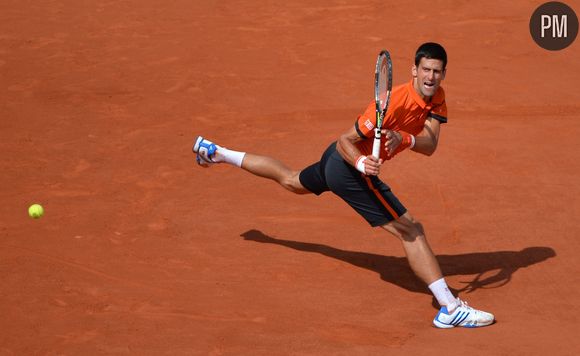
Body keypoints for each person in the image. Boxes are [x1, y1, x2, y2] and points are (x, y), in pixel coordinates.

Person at [193, 42, 495, 328]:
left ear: (443, 73)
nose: (431, 77)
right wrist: (363, 164)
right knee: (411, 229)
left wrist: (404, 138)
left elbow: (429, 145)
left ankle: (217, 153)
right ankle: (450, 309)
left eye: (437, 71)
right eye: (426, 70)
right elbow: (344, 142)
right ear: (414, 70)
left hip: (339, 165)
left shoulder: (437, 95)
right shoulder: (391, 104)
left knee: (292, 180)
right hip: (346, 166)